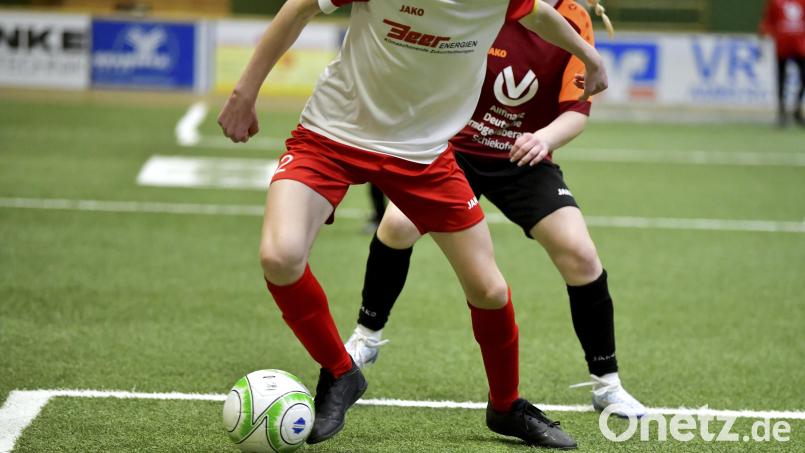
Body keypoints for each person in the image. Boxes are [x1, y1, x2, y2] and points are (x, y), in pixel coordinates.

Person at [218, 0, 608, 448]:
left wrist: (589, 56)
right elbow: (300, 7)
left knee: (489, 290)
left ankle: (506, 406)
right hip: (331, 135)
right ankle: (341, 372)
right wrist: (244, 92)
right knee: (280, 257)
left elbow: (539, 14)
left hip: (423, 155)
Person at [344, 0, 646, 419]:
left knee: (580, 254)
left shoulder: (574, 19)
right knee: (397, 225)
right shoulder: (487, 3)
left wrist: (544, 139)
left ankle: (607, 386)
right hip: (454, 151)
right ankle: (366, 337)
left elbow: (577, 112)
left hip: (525, 157)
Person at [760, 0, 805, 127]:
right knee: (781, 80)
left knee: (803, 77)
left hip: (801, 47)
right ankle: (782, 112)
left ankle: (797, 108)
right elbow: (768, 21)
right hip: (782, 46)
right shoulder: (775, 2)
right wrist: (764, 35)